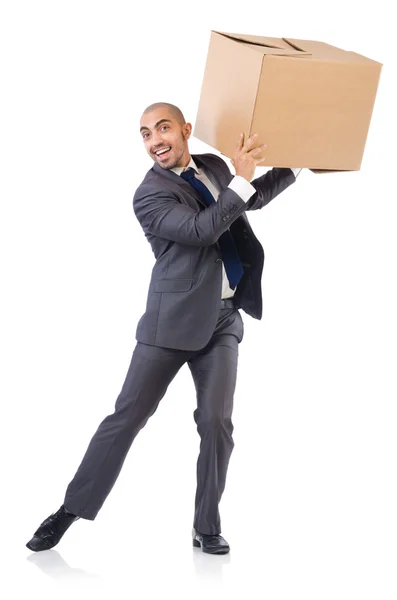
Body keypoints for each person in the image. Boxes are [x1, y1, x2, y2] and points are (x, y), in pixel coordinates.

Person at [26, 102, 301, 555]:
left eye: (163, 128)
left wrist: (298, 164)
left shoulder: (212, 166)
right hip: (169, 324)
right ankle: (68, 512)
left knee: (217, 423)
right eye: (145, 134)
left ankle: (206, 526)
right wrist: (242, 177)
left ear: (185, 130)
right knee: (127, 419)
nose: (154, 140)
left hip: (223, 319)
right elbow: (202, 230)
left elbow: (247, 198)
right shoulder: (149, 195)